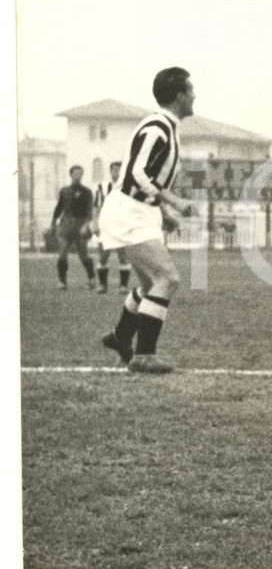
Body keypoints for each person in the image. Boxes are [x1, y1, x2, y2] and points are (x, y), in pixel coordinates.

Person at [98, 67, 195, 374]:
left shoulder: (166, 126)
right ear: (179, 95)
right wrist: (172, 201)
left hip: (137, 209)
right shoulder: (157, 127)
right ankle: (144, 356)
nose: (194, 95)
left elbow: (144, 177)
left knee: (150, 284)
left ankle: (121, 337)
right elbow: (137, 173)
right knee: (168, 279)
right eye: (190, 90)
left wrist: (162, 211)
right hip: (129, 211)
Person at [51, 165, 97, 290]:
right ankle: (62, 281)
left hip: (80, 224)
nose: (78, 176)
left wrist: (86, 225)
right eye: (76, 174)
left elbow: (89, 211)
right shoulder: (64, 191)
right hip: (66, 225)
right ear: (71, 175)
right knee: (62, 253)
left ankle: (91, 278)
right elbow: (59, 207)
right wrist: (54, 222)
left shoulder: (86, 192)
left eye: (80, 174)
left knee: (83, 254)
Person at [93, 161, 132, 293]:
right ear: (110, 172)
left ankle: (123, 286)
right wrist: (95, 223)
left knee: (123, 256)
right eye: (114, 170)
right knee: (103, 255)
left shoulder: (129, 187)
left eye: (120, 170)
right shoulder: (103, 187)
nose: (117, 173)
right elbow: (96, 207)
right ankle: (102, 285)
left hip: (122, 225)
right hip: (106, 225)